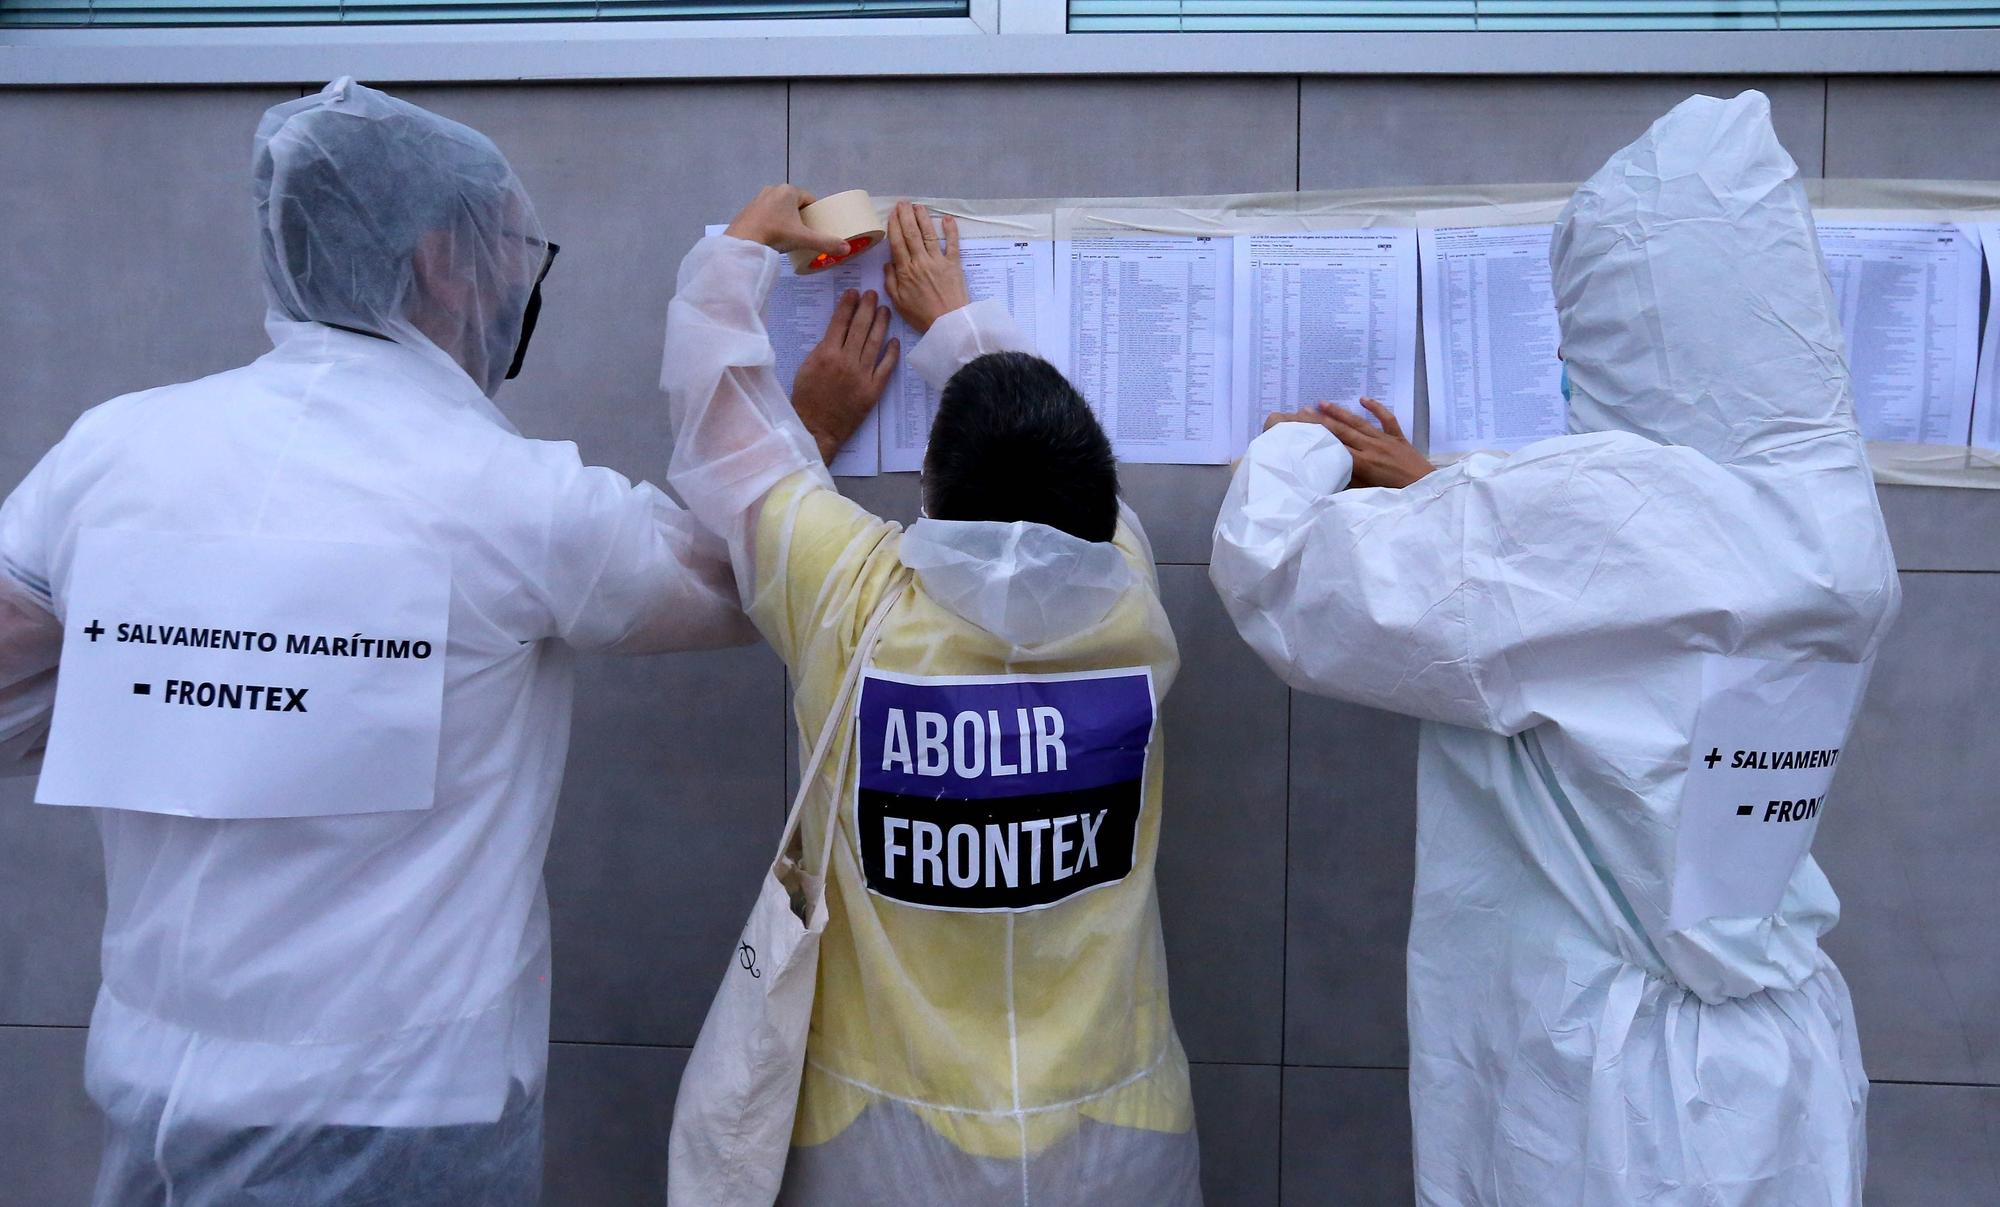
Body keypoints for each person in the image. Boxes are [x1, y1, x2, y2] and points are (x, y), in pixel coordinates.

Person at [0, 77, 758, 1204]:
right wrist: (748, 324)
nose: (518, 282)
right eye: (514, 249)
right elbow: (746, 574)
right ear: (446, 261)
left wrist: (189, 674)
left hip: (158, 1093)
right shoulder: (507, 495)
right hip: (402, 1115)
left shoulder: (113, 451)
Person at [1212, 91, 1898, 1204]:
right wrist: (1448, 502)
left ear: (1634, 316)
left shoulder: (1609, 511)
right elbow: (1628, 637)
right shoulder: (1828, 515)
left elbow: (1280, 579)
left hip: (1610, 1101)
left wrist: (1290, 454)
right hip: (1778, 1076)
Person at [661, 192, 1202, 1205]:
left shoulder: (850, 596)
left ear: (928, 492)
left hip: (885, 1144)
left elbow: (724, 439)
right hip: (1116, 1135)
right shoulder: (1129, 588)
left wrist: (739, 255)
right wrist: (959, 322)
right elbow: (1072, 484)